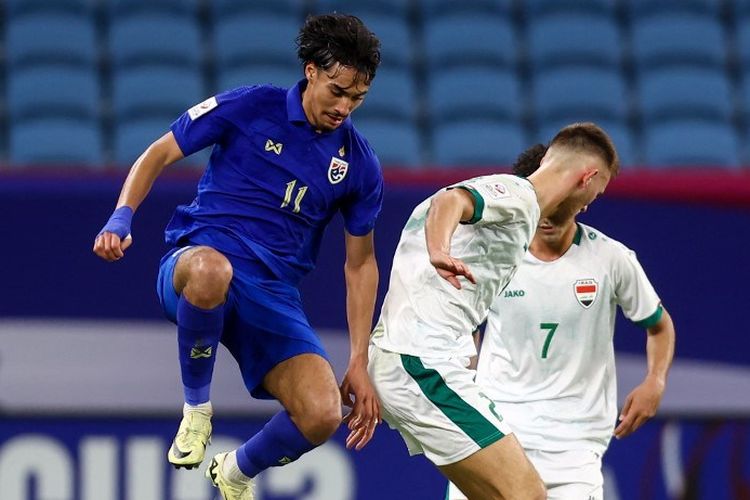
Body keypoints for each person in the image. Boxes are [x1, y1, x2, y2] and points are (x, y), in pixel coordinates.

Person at [93, 13, 383, 499]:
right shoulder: (251, 105)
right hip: (196, 264)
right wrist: (121, 216)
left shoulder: (358, 163)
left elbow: (360, 264)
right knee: (212, 269)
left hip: (274, 294)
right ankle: (196, 412)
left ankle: (234, 473)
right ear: (310, 70)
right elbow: (158, 153)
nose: (345, 107)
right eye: (337, 90)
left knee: (323, 411)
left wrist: (359, 357)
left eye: (357, 98)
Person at [354, 123, 619, 500]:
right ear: (588, 177)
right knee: (526, 494)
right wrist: (438, 249)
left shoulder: (515, 209)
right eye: (599, 189)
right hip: (422, 362)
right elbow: (452, 201)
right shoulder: (517, 195)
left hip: (415, 359)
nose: (591, 203)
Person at [446, 144, 676, 499]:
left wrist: (655, 382)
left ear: (581, 197)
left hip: (573, 448)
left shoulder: (611, 259)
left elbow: (659, 325)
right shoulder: (491, 256)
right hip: (495, 433)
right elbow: (464, 331)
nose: (549, 214)